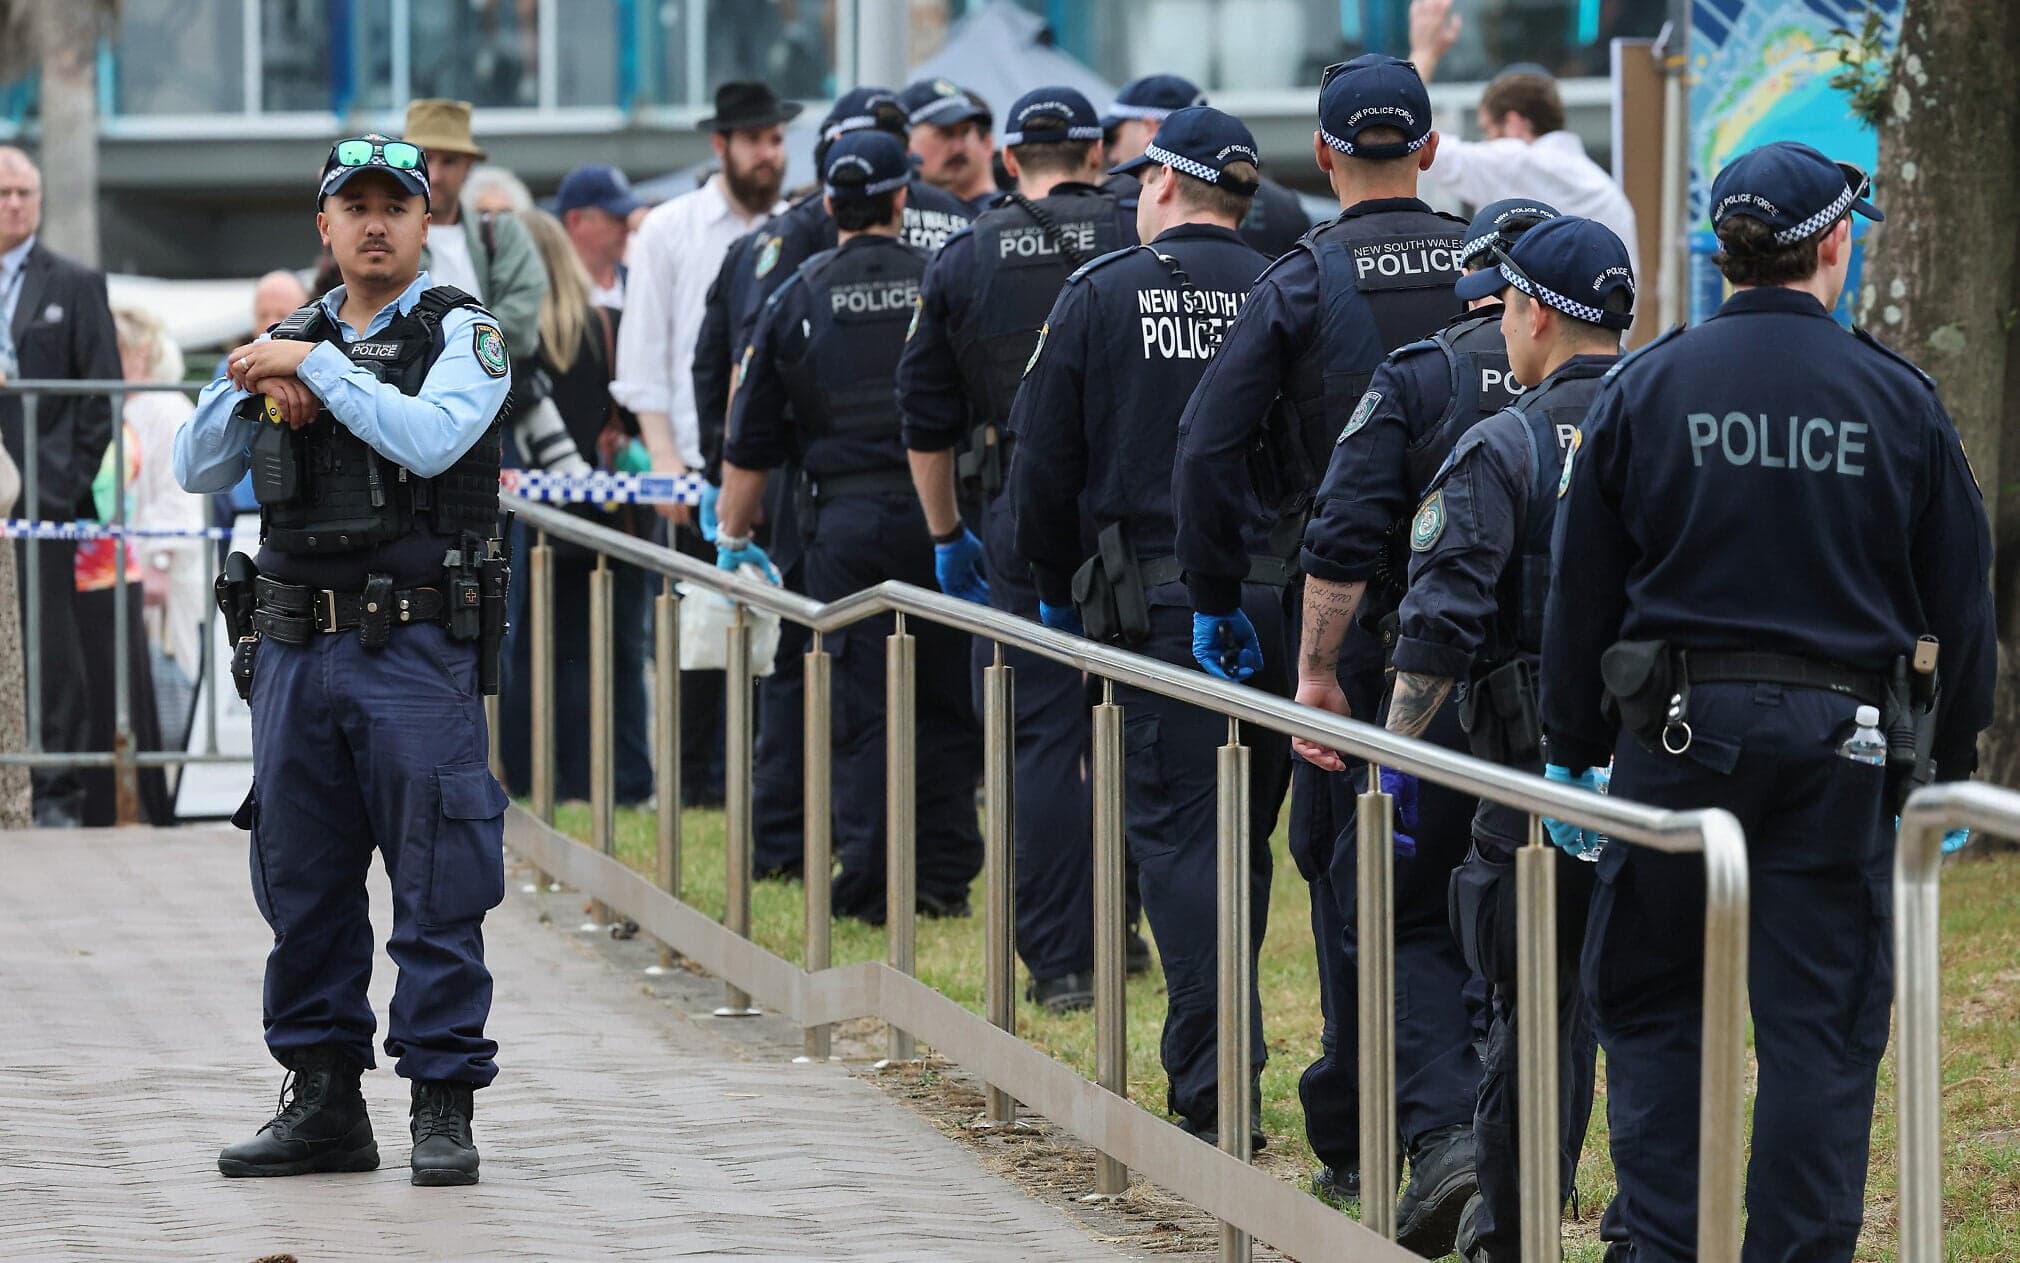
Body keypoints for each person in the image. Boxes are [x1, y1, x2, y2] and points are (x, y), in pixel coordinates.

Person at [1541, 142, 1996, 1262]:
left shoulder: (1647, 384)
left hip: (1675, 739)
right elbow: (1963, 596)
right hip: (1842, 750)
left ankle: (1662, 1243)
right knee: (1820, 1032)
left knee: (1653, 1010)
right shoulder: (1897, 399)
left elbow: (1579, 583)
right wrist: (1949, 760)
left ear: (1718, 250)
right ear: (1833, 244)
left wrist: (1568, 748)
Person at [1168, 55, 1469, 1250]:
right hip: (1493, 617)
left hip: (1346, 620)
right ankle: (1468, 1119)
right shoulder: (1498, 270)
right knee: (1479, 867)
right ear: (1434, 152)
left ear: (1324, 159)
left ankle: (1366, 1131)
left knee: (1351, 872)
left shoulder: (1299, 283)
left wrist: (1217, 593)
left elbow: (1204, 445)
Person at [175, 133, 514, 1186]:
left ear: (427, 223)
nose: (375, 223)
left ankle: (442, 1108)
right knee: (304, 882)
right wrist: (259, 380)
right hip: (292, 650)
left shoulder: (465, 333)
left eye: (395, 206)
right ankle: (325, 1105)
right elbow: (197, 465)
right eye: (354, 206)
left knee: (436, 877)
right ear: (323, 226)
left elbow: (429, 440)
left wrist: (316, 368)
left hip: (412, 646)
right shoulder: (292, 333)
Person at [1008, 106, 1287, 1138]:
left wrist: (1047, 587)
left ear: (1162, 187)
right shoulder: (1283, 284)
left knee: (1175, 839)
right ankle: (1224, 1054)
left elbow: (1043, 464)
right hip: (1276, 600)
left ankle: (1217, 1086)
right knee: (1242, 838)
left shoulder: (1098, 296)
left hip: (1159, 608)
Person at [1288, 197, 1554, 1225]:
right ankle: (1528, 1150)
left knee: (1411, 917)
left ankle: (1447, 1142)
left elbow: (1343, 535)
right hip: (1589, 708)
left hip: (1442, 694)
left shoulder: (1420, 374)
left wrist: (1317, 674)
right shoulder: (1632, 386)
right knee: (1557, 929)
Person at [1380, 216, 1633, 1262]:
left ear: (1528, 312)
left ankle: (1514, 1223)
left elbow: (1438, 625)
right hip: (1667, 763)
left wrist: (1396, 760)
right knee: (1655, 1010)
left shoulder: (1505, 443)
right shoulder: (1672, 419)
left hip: (1530, 772)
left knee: (1532, 1003)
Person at [899, 86, 1140, 1011]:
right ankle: (1124, 928)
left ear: (1007, 162)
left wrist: (946, 535)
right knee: (1138, 719)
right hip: (1132, 506)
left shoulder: (963, 256)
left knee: (1040, 735)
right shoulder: (1136, 232)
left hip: (1015, 508)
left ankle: (1062, 962)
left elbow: (924, 420)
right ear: (1093, 152)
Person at [718, 131, 984, 920]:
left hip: (845, 523)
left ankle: (870, 882)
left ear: (829, 202)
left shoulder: (795, 292)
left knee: (859, 706)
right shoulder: (943, 279)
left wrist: (732, 536)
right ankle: (942, 876)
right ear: (904, 197)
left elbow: (750, 433)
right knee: (944, 695)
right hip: (944, 515)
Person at [616, 81, 793, 809]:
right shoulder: (670, 229)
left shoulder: (798, 224)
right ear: (721, 145)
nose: (770, 154)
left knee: (774, 645)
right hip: (695, 469)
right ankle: (689, 791)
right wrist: (665, 466)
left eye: (778, 140)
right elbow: (644, 358)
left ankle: (762, 789)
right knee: (696, 645)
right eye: (756, 140)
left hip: (778, 470)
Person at [497, 209, 654, 806]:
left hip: (525, 529)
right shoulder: (607, 327)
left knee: (526, 662)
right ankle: (609, 785)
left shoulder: (505, 345)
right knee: (600, 661)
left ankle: (538, 785)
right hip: (603, 524)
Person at [0, 145, 122, 828]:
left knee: (47, 646)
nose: (14, 203)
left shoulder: (74, 284)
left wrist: (60, 482)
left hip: (38, 503)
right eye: (3, 192)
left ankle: (54, 791)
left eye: (25, 192)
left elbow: (101, 395)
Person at [1408, 0, 1638, 278]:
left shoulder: (1519, 161)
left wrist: (1425, 53)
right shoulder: (1597, 184)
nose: (1486, 144)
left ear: (1514, 124)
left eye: (1487, 131)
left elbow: (1410, 134)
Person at [1098, 73, 1312, 260]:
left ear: (1150, 127)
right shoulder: (1286, 206)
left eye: (1114, 137)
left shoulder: (1113, 200)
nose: (1113, 153)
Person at [554, 163, 644, 309]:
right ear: (575, 220)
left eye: (626, 217)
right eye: (616, 218)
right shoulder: (551, 289)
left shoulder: (638, 283)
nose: (626, 227)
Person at [902, 79, 999, 210]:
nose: (959, 147)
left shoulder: (1007, 219)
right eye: (945, 133)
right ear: (906, 141)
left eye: (965, 132)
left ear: (987, 144)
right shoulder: (892, 219)